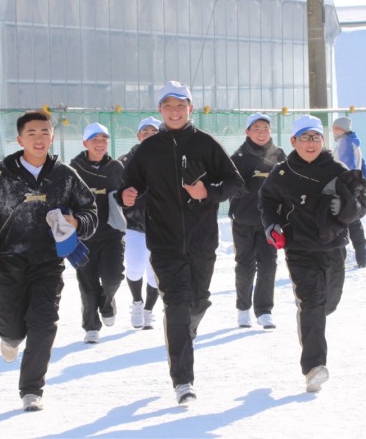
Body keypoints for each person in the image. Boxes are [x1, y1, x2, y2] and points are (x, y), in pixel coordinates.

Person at [118, 80, 243, 405]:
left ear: (191, 108)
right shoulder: (148, 149)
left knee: (198, 301)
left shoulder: (206, 143)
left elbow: (235, 182)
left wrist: (208, 193)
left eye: (180, 105)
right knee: (175, 305)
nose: (175, 112)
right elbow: (128, 185)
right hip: (164, 242)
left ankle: (189, 326)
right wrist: (126, 195)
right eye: (168, 106)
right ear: (160, 110)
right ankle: (183, 382)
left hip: (202, 240)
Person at [0, 109, 98, 412]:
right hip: (8, 263)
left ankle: (31, 390)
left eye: (44, 132)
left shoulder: (65, 175)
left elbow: (90, 211)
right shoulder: (2, 175)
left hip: (47, 264)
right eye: (32, 133)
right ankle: (9, 339)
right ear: (20, 139)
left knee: (44, 324)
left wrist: (78, 222)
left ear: (52, 136)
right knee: (13, 330)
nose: (39, 139)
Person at [259, 115, 366, 394]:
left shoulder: (337, 169)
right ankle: (314, 368)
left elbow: (360, 206)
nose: (311, 143)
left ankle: (314, 322)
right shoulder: (282, 172)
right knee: (312, 305)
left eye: (316, 137)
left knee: (329, 303)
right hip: (299, 249)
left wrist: (347, 207)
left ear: (323, 140)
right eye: (305, 137)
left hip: (333, 247)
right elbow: (267, 201)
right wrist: (271, 225)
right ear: (293, 141)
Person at [228, 112, 286, 329]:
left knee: (268, 264)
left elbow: (288, 182)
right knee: (245, 265)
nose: (261, 133)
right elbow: (229, 186)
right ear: (248, 132)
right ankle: (243, 308)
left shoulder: (279, 154)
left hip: (269, 220)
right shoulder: (238, 157)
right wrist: (244, 187)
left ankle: (264, 310)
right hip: (243, 218)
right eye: (256, 129)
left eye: (265, 128)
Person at [70, 122, 126, 344]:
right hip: (83, 237)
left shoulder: (116, 167)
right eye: (95, 140)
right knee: (87, 285)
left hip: (111, 235)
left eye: (104, 139)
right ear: (85, 143)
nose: (100, 144)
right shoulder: (73, 168)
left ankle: (107, 300)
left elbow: (128, 196)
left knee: (113, 277)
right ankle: (91, 327)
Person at [118, 116, 163, 330]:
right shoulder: (125, 161)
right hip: (134, 224)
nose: (149, 136)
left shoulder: (169, 159)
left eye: (154, 132)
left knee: (155, 273)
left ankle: (148, 310)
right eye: (145, 132)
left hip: (161, 226)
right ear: (138, 136)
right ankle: (137, 302)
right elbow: (116, 191)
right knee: (135, 267)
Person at [332, 115, 366, 267]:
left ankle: (341, 261)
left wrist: (345, 186)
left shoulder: (345, 143)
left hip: (346, 189)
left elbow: (347, 166)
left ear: (340, 129)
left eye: (335, 128)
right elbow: (364, 166)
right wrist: (361, 183)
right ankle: (362, 259)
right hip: (355, 188)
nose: (333, 131)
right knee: (354, 223)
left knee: (342, 223)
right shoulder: (354, 142)